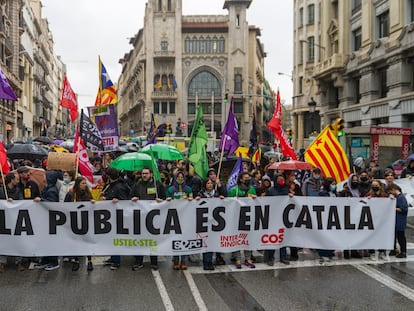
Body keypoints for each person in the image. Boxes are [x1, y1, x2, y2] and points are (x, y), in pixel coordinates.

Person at [130, 167, 166, 271]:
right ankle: (139, 261)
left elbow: (164, 197)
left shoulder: (157, 184)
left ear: (151, 174)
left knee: (153, 240)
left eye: (146, 173)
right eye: (142, 173)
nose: (144, 175)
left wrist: (161, 200)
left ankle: (154, 262)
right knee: (140, 241)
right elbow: (131, 196)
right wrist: (133, 198)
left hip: (153, 218)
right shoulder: (137, 185)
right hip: (140, 217)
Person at [101, 167, 130, 270]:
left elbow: (125, 202)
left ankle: (116, 261)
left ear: (109, 176)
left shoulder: (120, 187)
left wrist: (116, 200)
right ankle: (113, 257)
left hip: (117, 218)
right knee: (111, 238)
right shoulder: (111, 185)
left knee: (115, 239)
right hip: (110, 217)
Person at [64, 176, 96, 271]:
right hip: (75, 221)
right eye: (82, 183)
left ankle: (89, 261)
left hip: (85, 220)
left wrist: (92, 202)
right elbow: (64, 206)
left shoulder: (87, 193)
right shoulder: (71, 194)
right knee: (77, 242)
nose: (85, 185)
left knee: (87, 241)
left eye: (85, 183)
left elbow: (92, 204)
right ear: (77, 184)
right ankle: (76, 260)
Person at [227, 172, 257, 269]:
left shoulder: (252, 189)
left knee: (249, 238)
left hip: (248, 217)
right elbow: (228, 203)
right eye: (246, 178)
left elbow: (256, 202)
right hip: (236, 218)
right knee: (237, 238)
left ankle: (248, 258)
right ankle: (237, 258)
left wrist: (255, 198)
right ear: (241, 179)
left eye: (249, 177)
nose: (248, 179)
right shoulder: (233, 190)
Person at [166, 170, 193, 270]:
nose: (180, 178)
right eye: (178, 177)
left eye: (182, 177)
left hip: (185, 217)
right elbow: (166, 201)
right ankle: (176, 260)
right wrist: (168, 200)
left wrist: (191, 200)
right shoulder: (170, 189)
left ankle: (184, 260)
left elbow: (192, 201)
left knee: (185, 239)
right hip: (174, 217)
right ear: (175, 178)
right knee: (176, 239)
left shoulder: (189, 189)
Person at [33, 170, 60, 271]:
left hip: (50, 220)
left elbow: (52, 205)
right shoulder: (47, 188)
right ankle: (45, 260)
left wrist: (41, 200)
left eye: (45, 176)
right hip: (45, 219)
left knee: (50, 241)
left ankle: (53, 261)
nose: (43, 177)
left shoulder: (52, 190)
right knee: (45, 240)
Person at [265, 173, 293, 265]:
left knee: (282, 237)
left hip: (284, 217)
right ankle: (270, 257)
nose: (281, 181)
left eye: (282, 179)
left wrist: (291, 196)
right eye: (279, 179)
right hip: (273, 216)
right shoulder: (270, 190)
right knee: (272, 237)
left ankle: (283, 257)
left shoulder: (286, 190)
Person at [198, 177, 225, 270]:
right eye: (208, 183)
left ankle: (210, 262)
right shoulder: (201, 194)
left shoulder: (216, 194)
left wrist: (221, 198)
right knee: (206, 242)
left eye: (211, 183)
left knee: (213, 242)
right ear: (205, 185)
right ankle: (206, 262)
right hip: (204, 222)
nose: (210, 185)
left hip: (215, 222)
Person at [0, 172, 23, 273]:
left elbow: (22, 202)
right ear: (11, 180)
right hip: (3, 220)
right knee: (4, 240)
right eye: (16, 179)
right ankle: (2, 263)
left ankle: (18, 262)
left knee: (17, 241)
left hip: (15, 219)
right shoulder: (1, 190)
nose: (18, 180)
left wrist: (13, 202)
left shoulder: (18, 190)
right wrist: (5, 202)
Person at [365, 180, 388, 261]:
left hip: (381, 220)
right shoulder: (369, 195)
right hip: (371, 219)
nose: (374, 186)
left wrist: (391, 199)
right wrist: (367, 199)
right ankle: (372, 253)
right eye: (373, 185)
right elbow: (363, 204)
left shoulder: (384, 195)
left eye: (376, 185)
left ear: (380, 186)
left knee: (381, 236)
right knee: (371, 236)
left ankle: (381, 252)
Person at [318, 177, 337, 263]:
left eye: (335, 184)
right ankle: (323, 253)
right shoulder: (323, 193)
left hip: (333, 216)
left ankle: (330, 252)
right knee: (324, 236)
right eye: (332, 184)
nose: (334, 186)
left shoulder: (335, 193)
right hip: (325, 216)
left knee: (332, 235)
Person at [387, 184, 408, 258]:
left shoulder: (401, 198)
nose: (390, 193)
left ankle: (403, 251)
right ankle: (394, 250)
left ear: (393, 189)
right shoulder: (397, 197)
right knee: (395, 236)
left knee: (401, 237)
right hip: (396, 221)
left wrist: (393, 208)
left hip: (400, 221)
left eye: (390, 191)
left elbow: (404, 209)